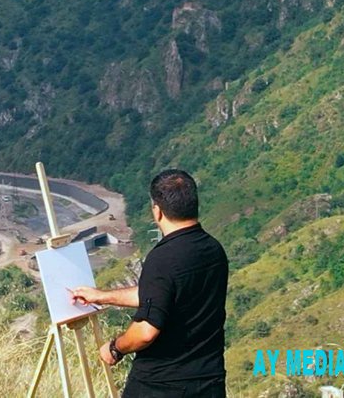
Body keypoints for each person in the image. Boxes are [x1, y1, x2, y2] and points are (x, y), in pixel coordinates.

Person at [70, 169, 228, 397]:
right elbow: (162, 295)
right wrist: (102, 296)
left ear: (157, 211)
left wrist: (115, 348)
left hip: (161, 385)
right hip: (209, 382)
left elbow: (145, 331)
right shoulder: (213, 249)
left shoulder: (162, 258)